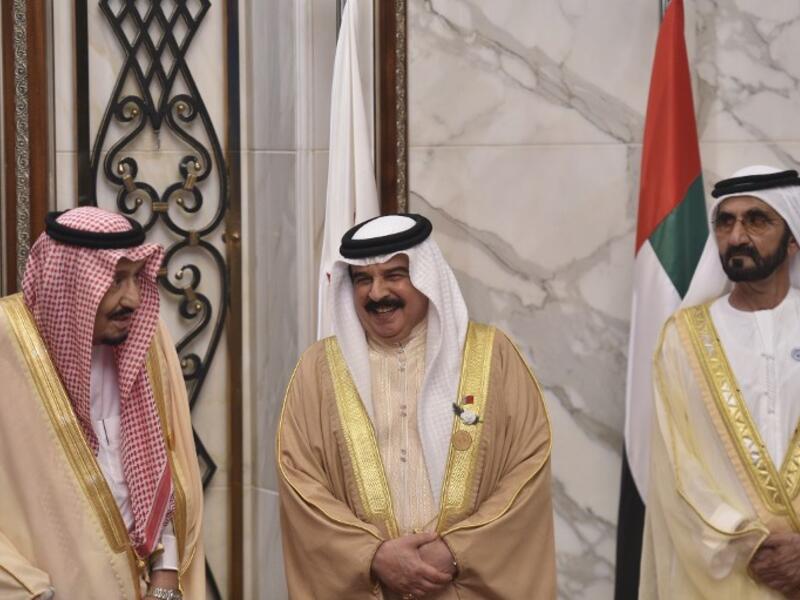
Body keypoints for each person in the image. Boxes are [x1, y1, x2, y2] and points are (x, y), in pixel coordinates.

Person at [277, 213, 555, 599]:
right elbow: (300, 480)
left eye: (395, 275)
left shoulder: (493, 358)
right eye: (362, 279)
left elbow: (527, 466)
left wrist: (456, 551)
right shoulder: (317, 371)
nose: (377, 293)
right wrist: (373, 556)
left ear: (426, 276)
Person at [0, 207, 205, 599]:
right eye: (115, 279)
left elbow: (163, 460)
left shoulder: (147, 338)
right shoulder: (8, 344)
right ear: (70, 282)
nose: (133, 299)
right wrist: (29, 589)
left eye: (136, 277)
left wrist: (165, 573)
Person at [640, 165, 800, 598]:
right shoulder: (682, 338)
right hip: (718, 576)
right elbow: (676, 468)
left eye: (757, 220)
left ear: (792, 240)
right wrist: (745, 545)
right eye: (726, 222)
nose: (737, 236)